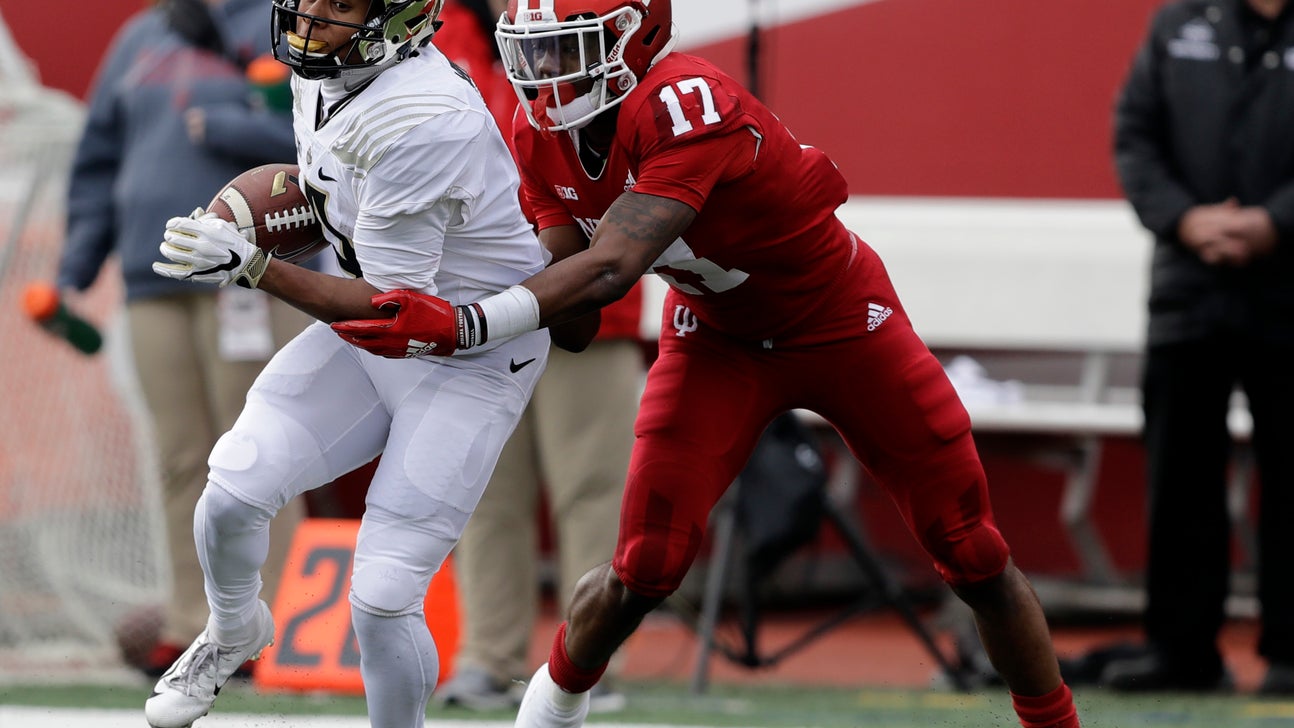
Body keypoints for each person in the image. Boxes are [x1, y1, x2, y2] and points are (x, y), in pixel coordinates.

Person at [330, 1, 1083, 726]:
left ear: (636, 34)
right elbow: (578, 315)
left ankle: (1053, 723)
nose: (546, 73)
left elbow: (609, 271)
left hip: (841, 319)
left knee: (970, 550)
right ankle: (548, 718)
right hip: (719, 334)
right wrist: (476, 271)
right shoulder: (538, 135)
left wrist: (465, 324)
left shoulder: (687, 101)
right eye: (534, 52)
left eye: (567, 47)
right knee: (644, 564)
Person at [140, 1, 553, 726]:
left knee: (383, 594)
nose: (310, 16)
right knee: (230, 490)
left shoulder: (421, 113)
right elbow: (331, 189)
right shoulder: (328, 74)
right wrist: (241, 220)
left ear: (396, 16)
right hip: (378, 325)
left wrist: (253, 265)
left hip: (467, 352)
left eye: (340, 3)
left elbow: (394, 313)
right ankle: (234, 627)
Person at [55, 0, 309, 678]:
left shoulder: (293, 19)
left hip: (254, 273)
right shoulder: (141, 33)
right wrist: (77, 264)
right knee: (177, 458)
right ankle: (190, 624)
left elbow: (325, 143)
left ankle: (270, 623)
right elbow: (98, 158)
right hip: (149, 276)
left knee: (259, 452)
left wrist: (236, 130)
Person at [429, 0, 643, 712]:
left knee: (593, 485)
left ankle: (588, 659)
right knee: (484, 490)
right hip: (476, 300)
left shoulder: (598, 21)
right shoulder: (431, 27)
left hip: (585, 297)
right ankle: (487, 655)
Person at [1084, 0, 1294, 694]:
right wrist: (1185, 219)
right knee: (1179, 477)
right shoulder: (1180, 24)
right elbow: (1134, 134)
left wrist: (1276, 222)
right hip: (1187, 286)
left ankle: (1290, 657)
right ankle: (1183, 651)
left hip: (1288, 287)